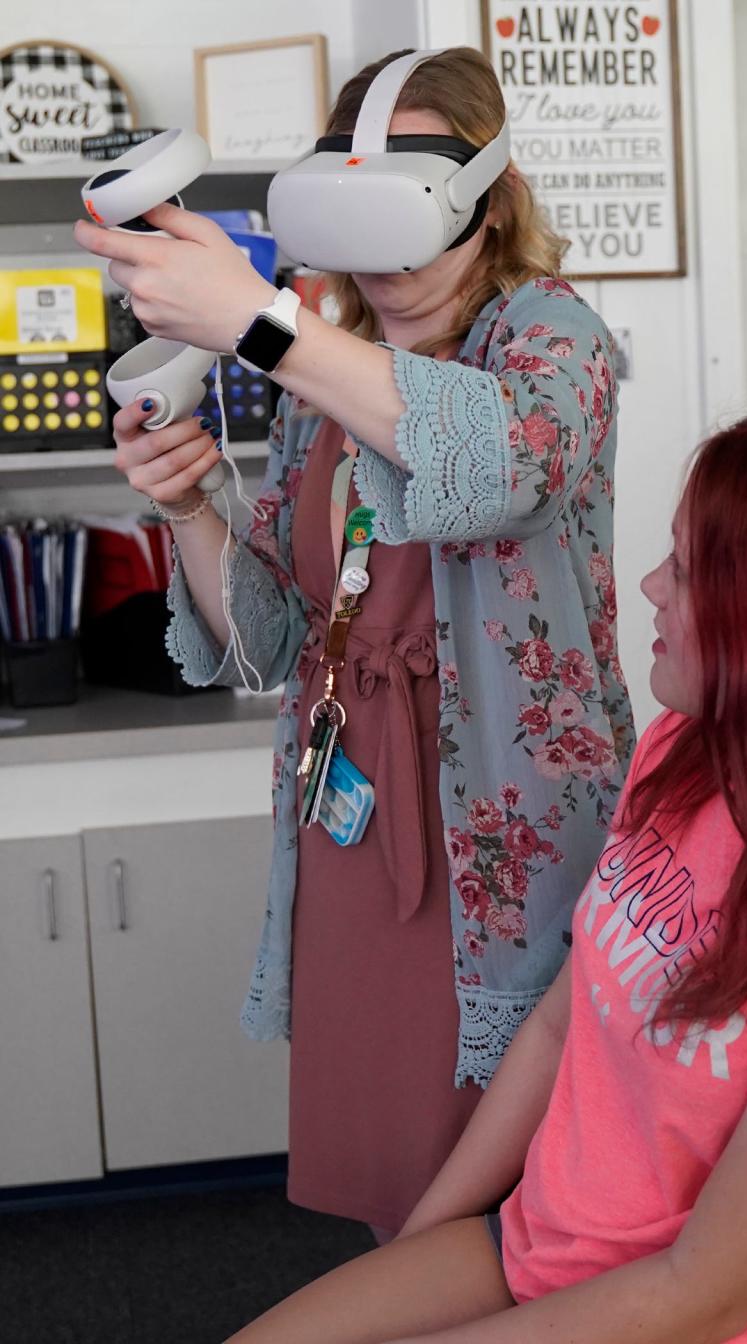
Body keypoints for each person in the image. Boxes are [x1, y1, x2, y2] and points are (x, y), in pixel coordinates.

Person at [221, 408, 747, 1344]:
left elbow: (704, 1293)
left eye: (686, 572)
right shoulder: (684, 754)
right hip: (542, 1254)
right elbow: (559, 1023)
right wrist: (420, 1241)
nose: (649, 586)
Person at [73, 46, 634, 1236]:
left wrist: (266, 325)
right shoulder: (313, 377)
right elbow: (273, 636)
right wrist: (188, 507)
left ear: (490, 198)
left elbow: (506, 464)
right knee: (401, 1195)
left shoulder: (549, 337)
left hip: (504, 841)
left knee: (524, 1204)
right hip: (354, 826)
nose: (387, 261)